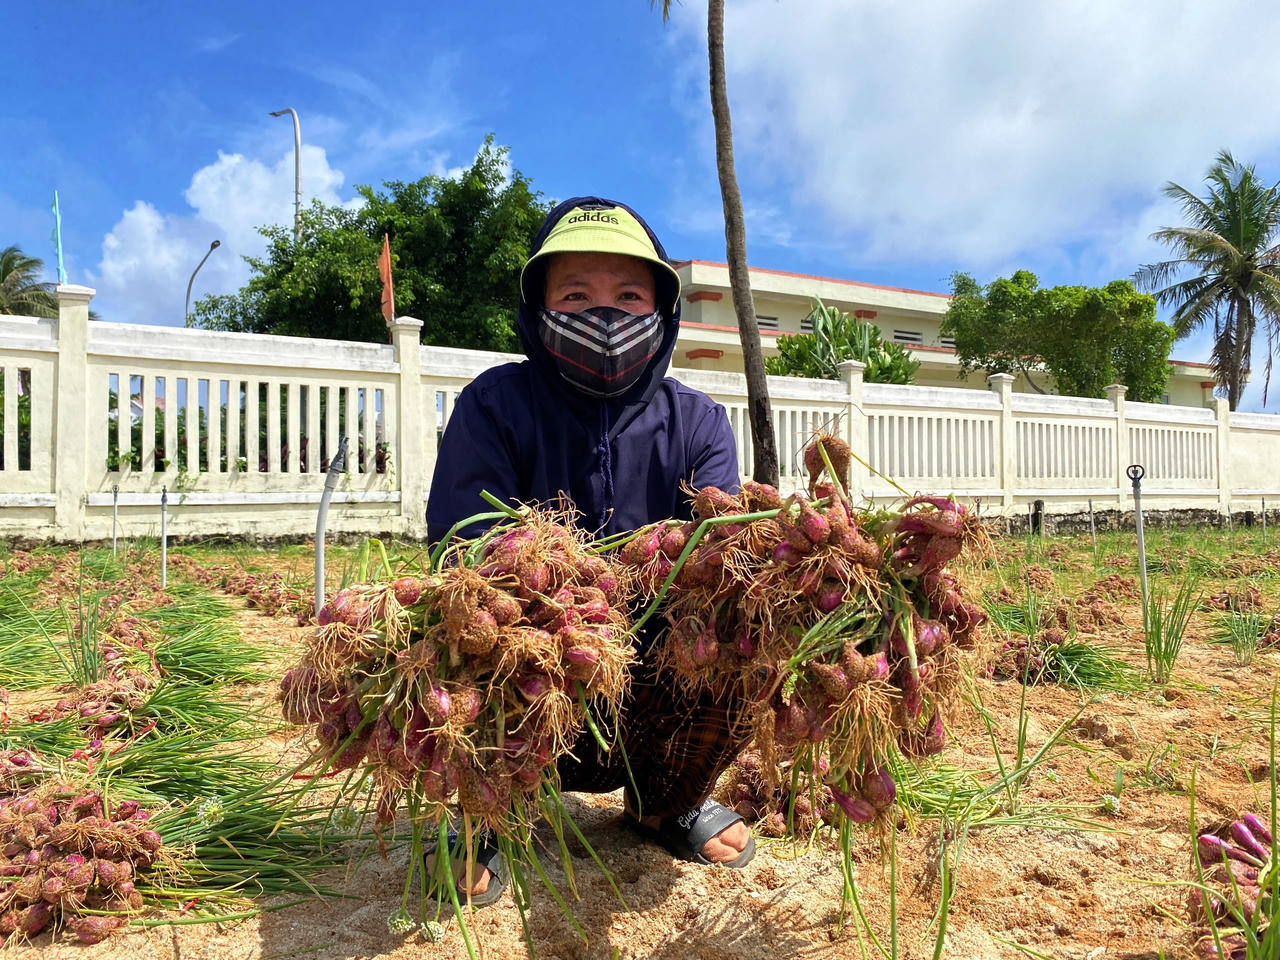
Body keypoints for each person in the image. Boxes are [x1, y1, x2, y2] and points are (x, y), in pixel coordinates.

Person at [426, 196, 755, 903]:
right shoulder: (493, 406)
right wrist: (556, 589)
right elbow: (461, 545)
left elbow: (713, 560)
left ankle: (671, 797)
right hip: (531, 653)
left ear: (661, 313)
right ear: (537, 309)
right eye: (576, 295)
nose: (604, 316)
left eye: (628, 296)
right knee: (465, 622)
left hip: (649, 668)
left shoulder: (697, 424)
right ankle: (491, 809)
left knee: (749, 626)